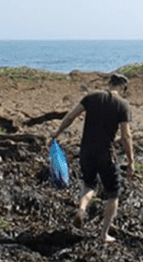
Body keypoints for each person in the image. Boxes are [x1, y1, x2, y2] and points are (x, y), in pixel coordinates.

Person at [51, 73, 134, 242]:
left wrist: (57, 133)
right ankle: (104, 234)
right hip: (106, 153)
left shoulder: (92, 97)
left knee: (89, 184)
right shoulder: (123, 105)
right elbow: (126, 136)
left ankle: (81, 209)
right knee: (113, 193)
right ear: (123, 88)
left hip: (86, 151)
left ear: (109, 83)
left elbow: (70, 116)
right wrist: (131, 160)